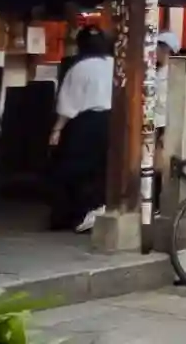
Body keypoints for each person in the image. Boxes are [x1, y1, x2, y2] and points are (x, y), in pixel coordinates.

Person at [50, 27, 114, 233]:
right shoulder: (114, 64)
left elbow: (68, 103)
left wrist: (57, 129)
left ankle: (83, 212)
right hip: (113, 120)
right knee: (104, 166)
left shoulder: (79, 68)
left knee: (77, 167)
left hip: (87, 122)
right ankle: (100, 207)